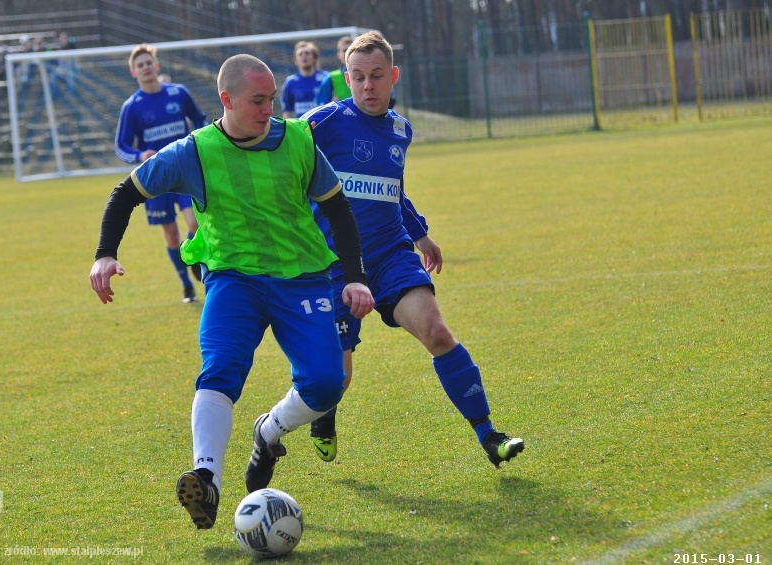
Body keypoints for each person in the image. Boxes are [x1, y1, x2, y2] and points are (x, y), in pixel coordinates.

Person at [90, 53, 375, 530]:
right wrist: (105, 253)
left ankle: (268, 431)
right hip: (233, 280)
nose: (269, 109)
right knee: (220, 368)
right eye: (258, 101)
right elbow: (127, 193)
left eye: (272, 100)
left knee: (327, 384)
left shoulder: (299, 140)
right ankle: (207, 479)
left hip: (302, 279)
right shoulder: (195, 151)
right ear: (226, 99)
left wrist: (355, 276)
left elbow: (338, 209)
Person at [301, 31, 524, 469]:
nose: (368, 86)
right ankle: (324, 416)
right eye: (358, 77)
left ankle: (489, 435)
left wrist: (420, 234)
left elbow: (393, 191)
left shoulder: (401, 130)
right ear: (346, 77)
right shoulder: (322, 122)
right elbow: (279, 153)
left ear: (394, 76)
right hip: (335, 267)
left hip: (390, 256)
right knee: (336, 379)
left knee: (437, 333)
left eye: (377, 76)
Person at [114, 44, 207, 303]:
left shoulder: (179, 93)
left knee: (195, 223)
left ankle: (191, 255)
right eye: (140, 65)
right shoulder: (132, 106)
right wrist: (139, 155)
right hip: (155, 178)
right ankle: (186, 284)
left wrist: (198, 140)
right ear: (134, 72)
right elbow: (121, 146)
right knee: (170, 235)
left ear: (156, 66)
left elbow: (199, 120)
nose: (145, 68)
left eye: (148, 63)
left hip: (185, 171)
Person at [280, 40, 326, 119]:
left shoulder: (325, 78)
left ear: (314, 58)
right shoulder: (290, 82)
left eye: (307, 53)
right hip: (301, 125)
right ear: (296, 60)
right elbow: (287, 110)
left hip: (323, 123)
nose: (304, 56)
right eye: (300, 54)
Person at [314, 35, 352, 107]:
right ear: (339, 55)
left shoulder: (364, 74)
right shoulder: (331, 77)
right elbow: (320, 104)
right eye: (344, 50)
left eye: (350, 50)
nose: (348, 53)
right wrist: (330, 105)